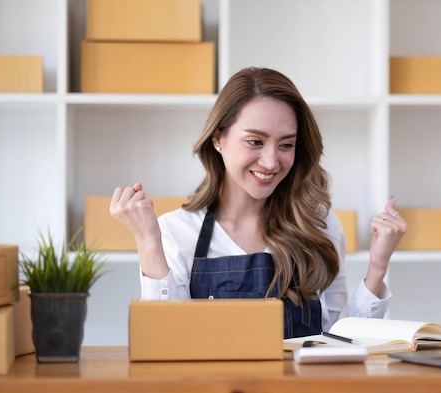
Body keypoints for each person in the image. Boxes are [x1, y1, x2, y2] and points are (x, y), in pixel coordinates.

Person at [110, 67, 407, 338]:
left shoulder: (319, 225)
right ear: (218, 139)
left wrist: (378, 266)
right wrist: (148, 240)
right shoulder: (175, 231)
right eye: (255, 141)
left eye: (286, 144)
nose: (270, 161)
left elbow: (337, 342)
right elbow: (165, 340)